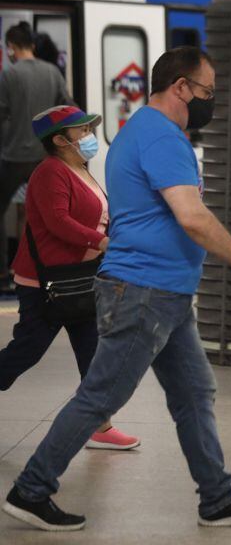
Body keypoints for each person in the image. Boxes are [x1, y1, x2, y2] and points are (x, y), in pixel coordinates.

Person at [3, 46, 231, 532]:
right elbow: (192, 217)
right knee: (99, 397)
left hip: (164, 293)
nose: (210, 101)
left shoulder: (139, 131)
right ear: (181, 87)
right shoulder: (162, 137)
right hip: (143, 291)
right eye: (207, 91)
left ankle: (217, 497)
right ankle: (31, 490)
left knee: (195, 393)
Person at [0, 106, 138, 450]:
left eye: (90, 128)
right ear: (60, 140)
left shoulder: (80, 168)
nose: (89, 135)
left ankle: (100, 426)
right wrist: (102, 241)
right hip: (48, 283)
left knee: (93, 354)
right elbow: (57, 221)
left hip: (81, 279)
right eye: (82, 131)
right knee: (27, 350)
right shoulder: (50, 172)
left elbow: (97, 216)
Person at [0, 22, 71, 292]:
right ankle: (43, 268)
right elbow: (68, 106)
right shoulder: (52, 72)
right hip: (44, 157)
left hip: (13, 156)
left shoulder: (8, 75)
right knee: (44, 213)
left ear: (11, 47)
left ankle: (3, 274)